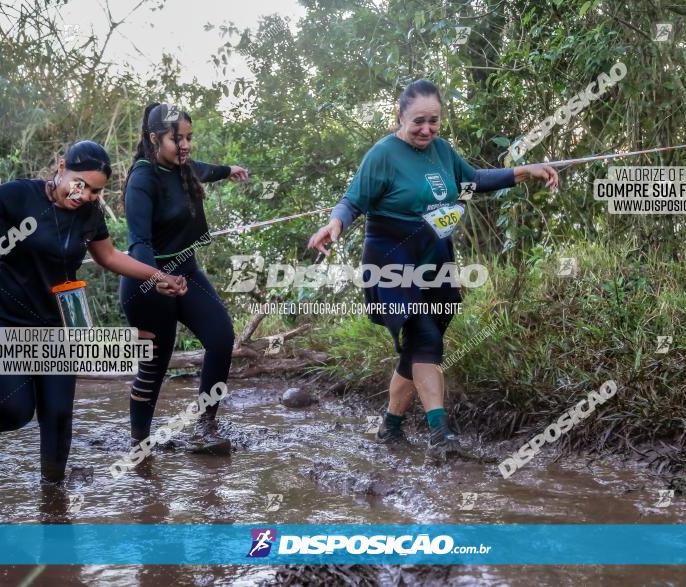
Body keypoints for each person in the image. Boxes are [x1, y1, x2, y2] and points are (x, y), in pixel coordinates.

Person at [307, 80, 559, 459]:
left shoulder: (441, 150)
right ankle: (441, 435)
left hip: (434, 256)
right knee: (426, 338)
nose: (426, 129)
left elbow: (472, 181)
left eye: (434, 121)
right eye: (418, 121)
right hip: (391, 259)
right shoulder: (383, 155)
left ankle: (390, 428)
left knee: (419, 347)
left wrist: (526, 171)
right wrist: (335, 224)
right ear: (400, 116)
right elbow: (352, 201)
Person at [0, 140, 187, 483]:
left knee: (57, 414)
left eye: (96, 191)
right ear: (61, 165)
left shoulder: (90, 215)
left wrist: (158, 276)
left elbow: (109, 256)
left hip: (58, 327)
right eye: (80, 184)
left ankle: (53, 497)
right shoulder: (20, 195)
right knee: (15, 410)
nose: (85, 196)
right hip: (5, 322)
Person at [120, 103, 249, 455]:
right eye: (178, 139)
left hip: (186, 273)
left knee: (221, 338)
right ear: (153, 138)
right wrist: (157, 277)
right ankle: (139, 442)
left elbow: (202, 170)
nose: (186, 145)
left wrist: (228, 170)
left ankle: (206, 425)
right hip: (147, 284)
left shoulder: (182, 167)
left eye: (190, 137)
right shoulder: (142, 179)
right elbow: (139, 243)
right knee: (155, 363)